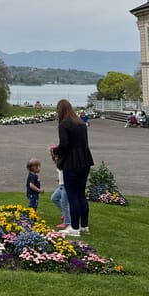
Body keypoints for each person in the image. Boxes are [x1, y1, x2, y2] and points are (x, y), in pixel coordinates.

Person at [52, 98, 94, 237]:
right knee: (81, 194)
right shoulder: (81, 123)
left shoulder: (64, 125)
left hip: (72, 162)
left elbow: (64, 144)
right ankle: (84, 225)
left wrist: (55, 151)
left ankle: (74, 228)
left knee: (72, 196)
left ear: (60, 110)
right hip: (85, 161)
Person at [49, 145, 71, 230]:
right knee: (54, 198)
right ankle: (66, 214)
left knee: (64, 204)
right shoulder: (58, 162)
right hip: (61, 186)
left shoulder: (64, 161)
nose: (54, 156)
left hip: (65, 186)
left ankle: (67, 222)